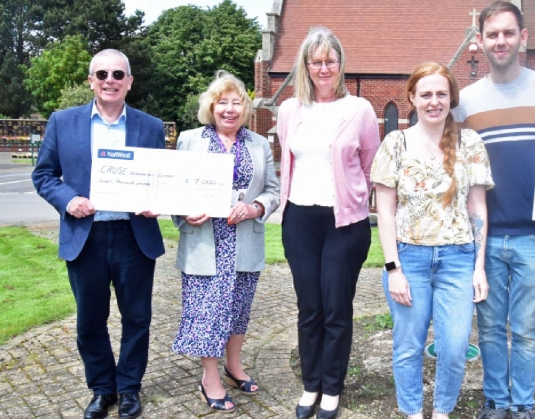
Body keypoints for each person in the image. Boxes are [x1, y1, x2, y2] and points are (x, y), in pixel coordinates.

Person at [451, 2, 535, 418]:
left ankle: (523, 405)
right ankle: (496, 401)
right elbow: (458, 170)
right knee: (489, 328)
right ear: (480, 41)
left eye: (508, 32)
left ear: (523, 37)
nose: (500, 41)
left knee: (525, 330)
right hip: (485, 237)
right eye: (492, 34)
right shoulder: (466, 102)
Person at [31, 49, 164, 419]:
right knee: (90, 320)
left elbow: (160, 178)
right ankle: (103, 389)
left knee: (137, 317)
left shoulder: (150, 126)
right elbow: (43, 175)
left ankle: (129, 387)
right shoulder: (63, 122)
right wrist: (68, 200)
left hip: (133, 236)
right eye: (102, 73)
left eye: (118, 74)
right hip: (85, 237)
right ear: (91, 80)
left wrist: (156, 200)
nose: (110, 80)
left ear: (129, 82)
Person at [372, 62, 494, 419]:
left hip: (458, 260)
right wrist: (393, 268)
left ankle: (442, 412)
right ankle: (412, 412)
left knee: (454, 348)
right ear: (412, 98)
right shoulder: (395, 143)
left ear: (451, 97)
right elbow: (385, 212)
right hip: (409, 259)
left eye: (441, 93)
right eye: (425, 94)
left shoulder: (470, 142)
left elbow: (478, 208)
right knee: (408, 346)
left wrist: (479, 267)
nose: (434, 101)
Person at [276, 26, 380, 419]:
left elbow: (370, 166)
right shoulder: (290, 110)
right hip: (299, 218)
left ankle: (332, 388)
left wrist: (353, 199)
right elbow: (288, 160)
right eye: (316, 61)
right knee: (310, 308)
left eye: (330, 60)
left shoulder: (360, 110)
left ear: (340, 64)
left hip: (344, 223)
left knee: (336, 307)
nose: (323, 68)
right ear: (305, 65)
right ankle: (311, 385)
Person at [171, 70, 280, 413]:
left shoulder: (259, 144)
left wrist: (255, 207)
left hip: (244, 241)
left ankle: (234, 367)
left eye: (236, 103)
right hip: (205, 242)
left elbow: (273, 191)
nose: (229, 109)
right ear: (211, 107)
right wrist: (184, 211)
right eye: (222, 102)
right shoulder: (190, 140)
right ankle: (210, 379)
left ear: (245, 109)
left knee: (238, 311)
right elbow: (174, 189)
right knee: (206, 313)